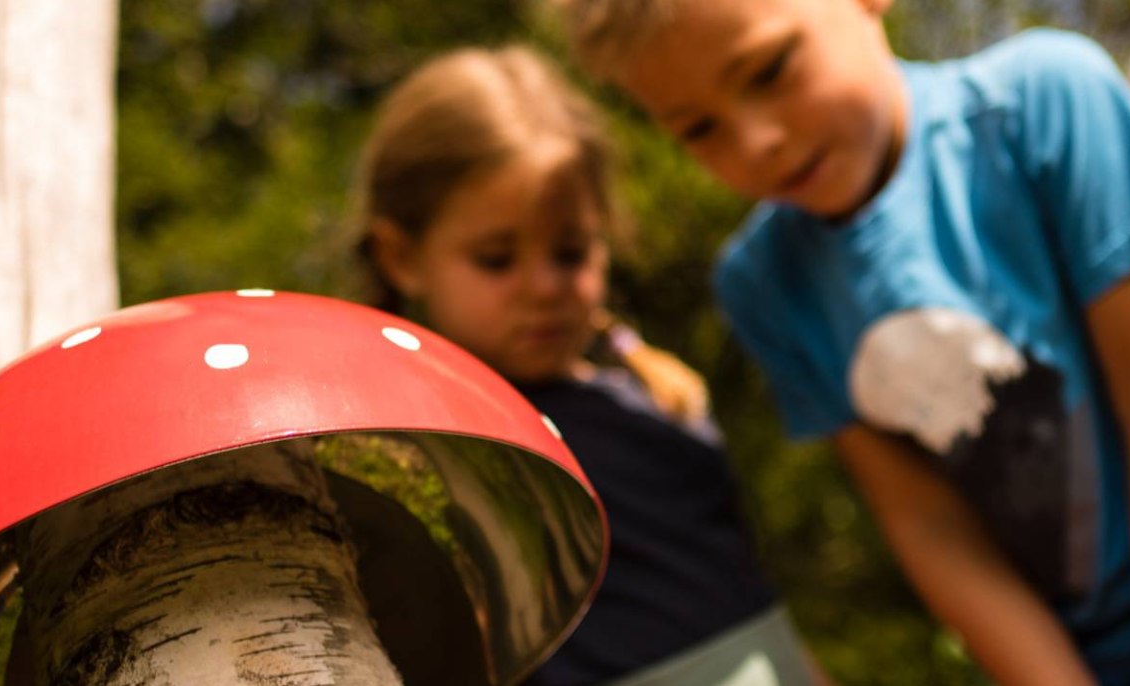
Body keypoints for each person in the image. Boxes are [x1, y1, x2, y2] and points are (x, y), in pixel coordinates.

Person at [546, 1, 1130, 684]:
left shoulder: (1043, 104)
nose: (758, 139)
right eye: (698, 128)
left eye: (772, 69)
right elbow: (928, 524)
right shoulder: (764, 287)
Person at [345, 44, 824, 685]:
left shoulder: (654, 396)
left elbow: (745, 595)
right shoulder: (415, 453)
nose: (544, 286)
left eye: (570, 253)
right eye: (496, 258)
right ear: (401, 257)